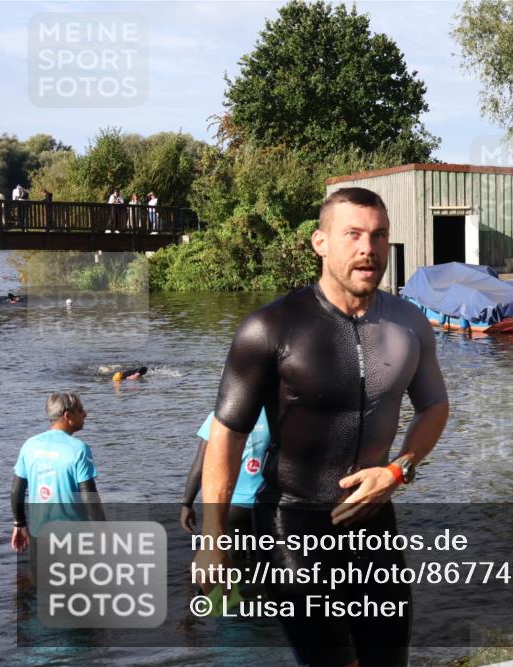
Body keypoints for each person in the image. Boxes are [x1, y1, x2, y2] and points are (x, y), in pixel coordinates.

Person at [197, 187, 449, 666]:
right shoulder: (270, 328)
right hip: (291, 523)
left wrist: (397, 471)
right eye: (352, 234)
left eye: (378, 236)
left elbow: (434, 407)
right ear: (320, 242)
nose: (366, 249)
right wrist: (212, 541)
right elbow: (225, 435)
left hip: (374, 520)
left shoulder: (410, 323)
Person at [10, 393, 106, 558]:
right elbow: (89, 497)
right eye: (80, 410)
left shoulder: (29, 445)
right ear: (68, 416)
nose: (85, 414)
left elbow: (16, 491)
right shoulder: (79, 449)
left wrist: (19, 524)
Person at [180, 408, 270, 536]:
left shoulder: (219, 416)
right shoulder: (276, 414)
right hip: (269, 504)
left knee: (231, 554)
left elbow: (200, 465)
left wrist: (187, 504)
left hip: (231, 504)